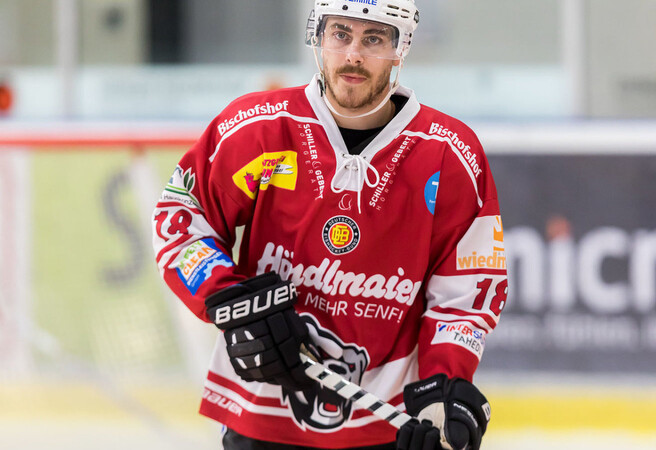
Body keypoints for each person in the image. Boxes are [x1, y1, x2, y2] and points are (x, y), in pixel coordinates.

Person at [152, 0, 506, 448]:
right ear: (319, 37)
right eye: (341, 34)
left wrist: (445, 384)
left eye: (373, 38)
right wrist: (227, 298)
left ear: (402, 48)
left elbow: (466, 294)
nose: (353, 54)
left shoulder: (449, 154)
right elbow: (180, 217)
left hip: (386, 425)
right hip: (262, 415)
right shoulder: (258, 129)